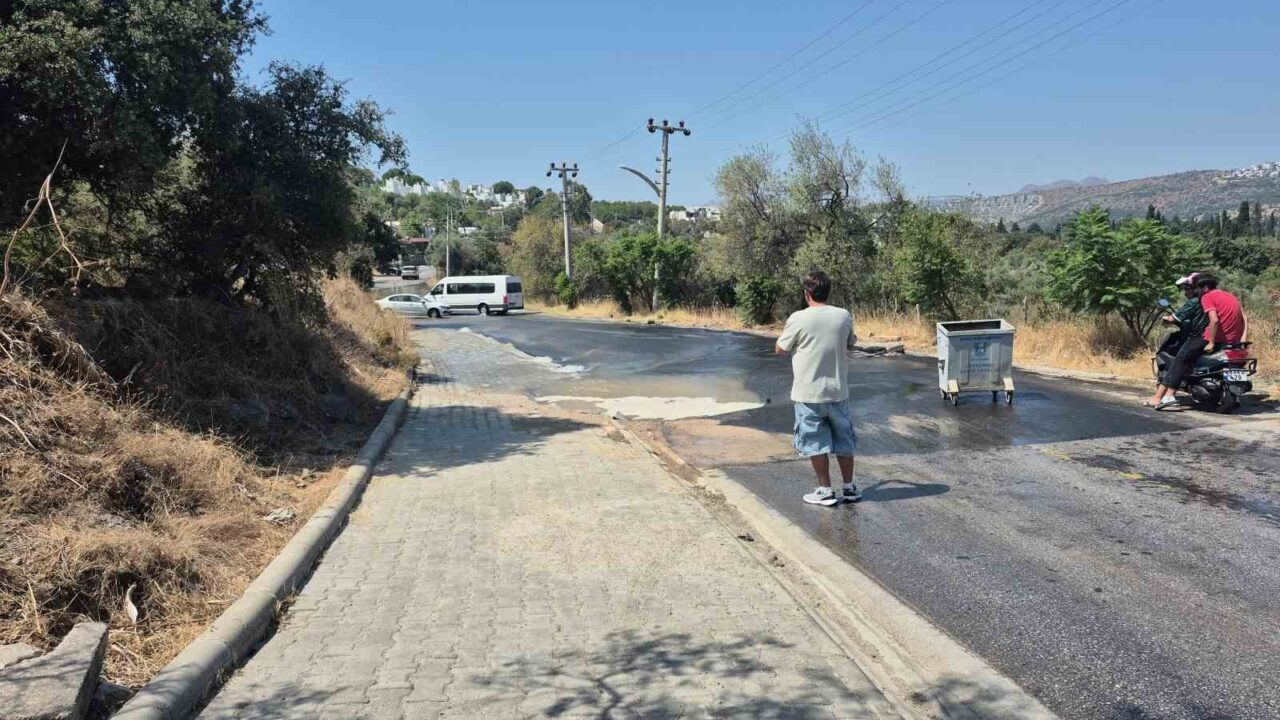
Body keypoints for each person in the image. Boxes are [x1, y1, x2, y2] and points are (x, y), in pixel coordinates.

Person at [775, 270, 860, 506]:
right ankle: (849, 487)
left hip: (808, 393)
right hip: (838, 391)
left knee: (814, 441)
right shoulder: (843, 316)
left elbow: (780, 349)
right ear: (828, 292)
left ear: (807, 293)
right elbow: (850, 342)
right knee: (844, 440)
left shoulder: (797, 318)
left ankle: (825, 490)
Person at [1150, 274, 1245, 410]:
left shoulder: (1207, 297)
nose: (1196, 291)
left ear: (1205, 288)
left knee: (1181, 359)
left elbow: (1214, 320)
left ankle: (1168, 396)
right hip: (1231, 340)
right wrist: (1240, 338)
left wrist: (1211, 342)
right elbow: (1244, 318)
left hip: (1209, 337)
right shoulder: (1229, 295)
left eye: (1197, 288)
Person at [1148, 273, 1207, 408]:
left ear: (1195, 288)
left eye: (1187, 288)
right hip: (1208, 337)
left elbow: (1175, 318)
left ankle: (1165, 397)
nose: (1185, 292)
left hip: (1195, 337)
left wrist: (1166, 318)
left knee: (1178, 362)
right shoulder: (1208, 301)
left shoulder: (1194, 302)